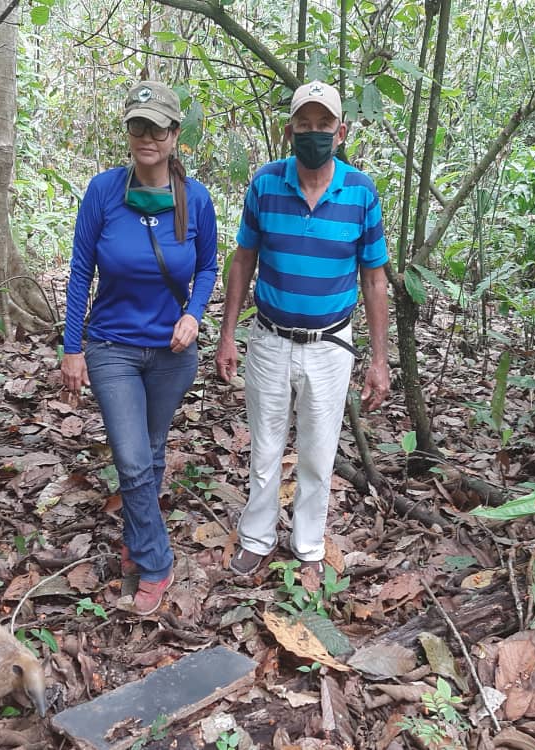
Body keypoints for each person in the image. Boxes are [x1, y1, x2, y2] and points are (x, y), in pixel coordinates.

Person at [215, 81, 390, 577]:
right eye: (304, 124)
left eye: (324, 125)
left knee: (318, 452)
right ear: (289, 131)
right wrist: (227, 334)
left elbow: (374, 278)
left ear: (341, 132)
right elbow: (243, 259)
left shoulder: (360, 191)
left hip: (330, 344)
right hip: (270, 338)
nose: (315, 133)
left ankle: (308, 544)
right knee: (265, 447)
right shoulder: (266, 184)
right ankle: (257, 537)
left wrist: (379, 360)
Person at [61, 81, 219, 615]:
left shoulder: (195, 198)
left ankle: (136, 539)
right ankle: (156, 562)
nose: (146, 136)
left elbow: (208, 267)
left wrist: (194, 314)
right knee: (132, 460)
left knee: (149, 455)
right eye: (137, 126)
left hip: (172, 353)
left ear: (174, 135)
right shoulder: (104, 191)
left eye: (157, 127)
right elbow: (80, 272)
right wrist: (72, 347)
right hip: (112, 346)